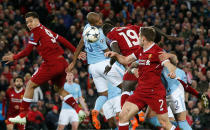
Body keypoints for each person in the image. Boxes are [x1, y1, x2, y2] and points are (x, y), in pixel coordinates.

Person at [2, 12, 86, 124]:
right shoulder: (45, 29)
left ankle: (22, 115)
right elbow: (62, 39)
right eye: (27, 22)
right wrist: (76, 51)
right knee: (58, 89)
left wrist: (14, 57)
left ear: (37, 20)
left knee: (30, 85)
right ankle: (78, 109)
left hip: (51, 64)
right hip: (62, 62)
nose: (29, 24)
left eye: (31, 21)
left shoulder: (36, 32)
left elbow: (27, 51)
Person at [105, 27, 179, 130]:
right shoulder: (140, 50)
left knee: (164, 124)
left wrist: (171, 71)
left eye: (139, 37)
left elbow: (168, 64)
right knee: (123, 115)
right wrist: (115, 55)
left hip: (155, 92)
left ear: (143, 39)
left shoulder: (157, 51)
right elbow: (126, 60)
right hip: (141, 91)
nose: (137, 39)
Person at [66, 12, 124, 129]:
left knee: (104, 95)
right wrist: (121, 59)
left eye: (100, 19)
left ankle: (96, 111)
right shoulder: (100, 34)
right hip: (104, 64)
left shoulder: (86, 28)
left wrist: (73, 61)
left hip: (92, 67)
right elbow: (108, 52)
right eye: (98, 22)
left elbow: (80, 45)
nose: (101, 22)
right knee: (126, 86)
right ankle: (139, 112)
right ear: (93, 23)